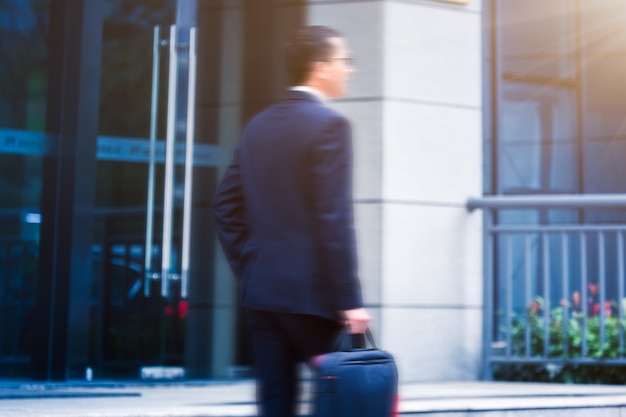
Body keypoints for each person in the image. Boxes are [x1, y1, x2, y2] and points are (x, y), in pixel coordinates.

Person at [211, 25, 369, 417]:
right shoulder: (331, 126)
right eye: (343, 61)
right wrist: (351, 301)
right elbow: (334, 218)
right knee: (339, 401)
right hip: (313, 299)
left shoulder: (258, 125)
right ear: (320, 68)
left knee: (276, 403)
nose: (349, 69)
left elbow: (224, 207)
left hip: (263, 294)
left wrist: (251, 265)